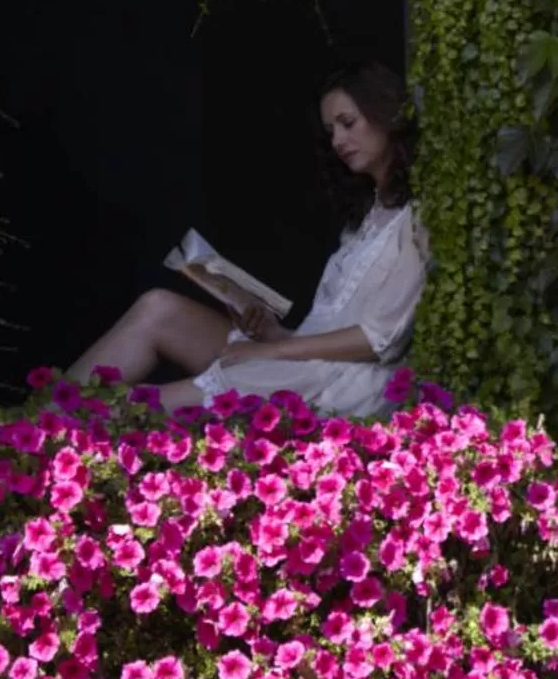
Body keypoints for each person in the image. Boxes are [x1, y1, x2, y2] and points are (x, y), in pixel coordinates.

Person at [66, 60, 429, 418]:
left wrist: (275, 352)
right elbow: (328, 323)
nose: (337, 140)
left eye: (347, 124)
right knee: (157, 306)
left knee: (137, 406)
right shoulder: (363, 221)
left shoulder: (418, 216)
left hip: (342, 380)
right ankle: (29, 423)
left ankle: (40, 438)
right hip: (298, 355)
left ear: (386, 114)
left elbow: (378, 339)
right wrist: (274, 334)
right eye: (330, 130)